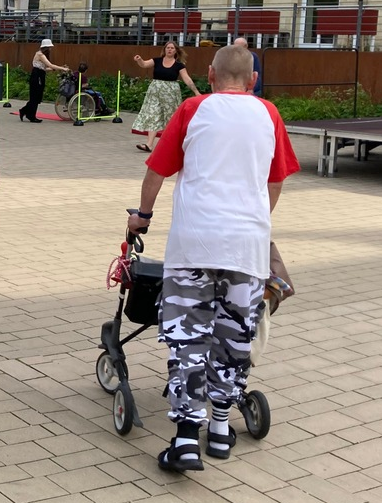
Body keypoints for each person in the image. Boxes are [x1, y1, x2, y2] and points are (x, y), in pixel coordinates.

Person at [126, 45, 298, 473]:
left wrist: (143, 217)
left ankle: (186, 438)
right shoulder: (269, 113)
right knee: (234, 338)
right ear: (253, 80)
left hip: (193, 246)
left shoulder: (193, 109)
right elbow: (275, 180)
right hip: (246, 249)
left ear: (209, 74)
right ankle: (220, 428)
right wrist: (255, 221)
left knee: (189, 339)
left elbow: (157, 170)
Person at [132, 40, 201, 152]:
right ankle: (149, 145)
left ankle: (174, 144)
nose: (169, 50)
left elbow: (187, 79)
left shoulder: (179, 65)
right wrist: (139, 60)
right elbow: (144, 64)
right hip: (155, 91)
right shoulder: (157, 60)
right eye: (167, 48)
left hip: (170, 93)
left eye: (172, 48)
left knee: (171, 117)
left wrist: (196, 91)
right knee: (153, 115)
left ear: (176, 51)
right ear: (164, 50)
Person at [19, 39, 69, 123]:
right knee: (35, 96)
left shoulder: (41, 55)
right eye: (49, 47)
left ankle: (25, 111)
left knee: (37, 96)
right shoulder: (40, 55)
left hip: (40, 75)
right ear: (46, 48)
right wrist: (62, 68)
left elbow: (44, 68)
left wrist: (56, 68)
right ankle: (30, 115)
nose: (50, 49)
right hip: (37, 76)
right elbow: (50, 65)